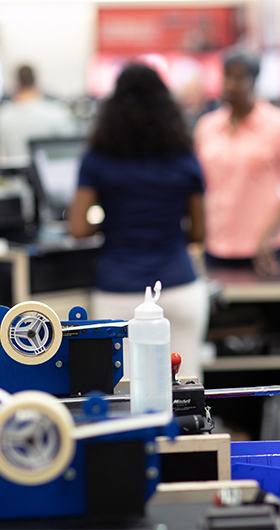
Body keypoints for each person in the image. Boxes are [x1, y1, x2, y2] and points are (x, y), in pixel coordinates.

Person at [68, 63, 209, 383]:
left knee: (124, 396)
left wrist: (114, 221)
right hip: (178, 288)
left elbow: (78, 228)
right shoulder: (184, 158)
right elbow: (199, 232)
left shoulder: (97, 159)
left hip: (118, 291)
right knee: (186, 396)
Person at [193, 50, 280, 277]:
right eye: (226, 76)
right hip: (216, 249)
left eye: (238, 77)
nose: (229, 84)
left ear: (254, 81)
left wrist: (265, 238)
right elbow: (199, 186)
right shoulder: (206, 127)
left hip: (265, 252)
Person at [0, 65, 77, 163]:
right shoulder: (56, 113)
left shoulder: (4, 115)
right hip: (51, 174)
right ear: (36, 81)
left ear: (17, 83)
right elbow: (70, 149)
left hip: (14, 176)